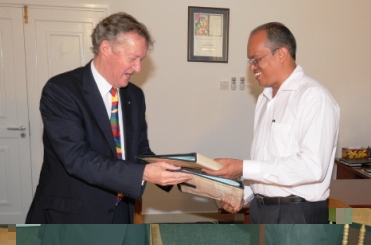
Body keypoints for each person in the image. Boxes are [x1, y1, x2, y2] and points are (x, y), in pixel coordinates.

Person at [26, 12, 192, 224]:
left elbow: (139, 152)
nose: (138, 68)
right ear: (105, 48)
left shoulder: (134, 95)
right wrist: (144, 173)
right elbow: (78, 159)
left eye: (141, 60)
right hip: (74, 216)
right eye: (132, 58)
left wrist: (181, 171)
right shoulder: (61, 90)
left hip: (120, 213)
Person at [203, 22, 340, 224]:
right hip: (262, 211)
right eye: (250, 61)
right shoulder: (265, 99)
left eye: (256, 59)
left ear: (281, 54)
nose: (251, 68)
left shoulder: (314, 98)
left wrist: (243, 167)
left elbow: (312, 167)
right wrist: (245, 193)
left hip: (297, 215)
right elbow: (270, 164)